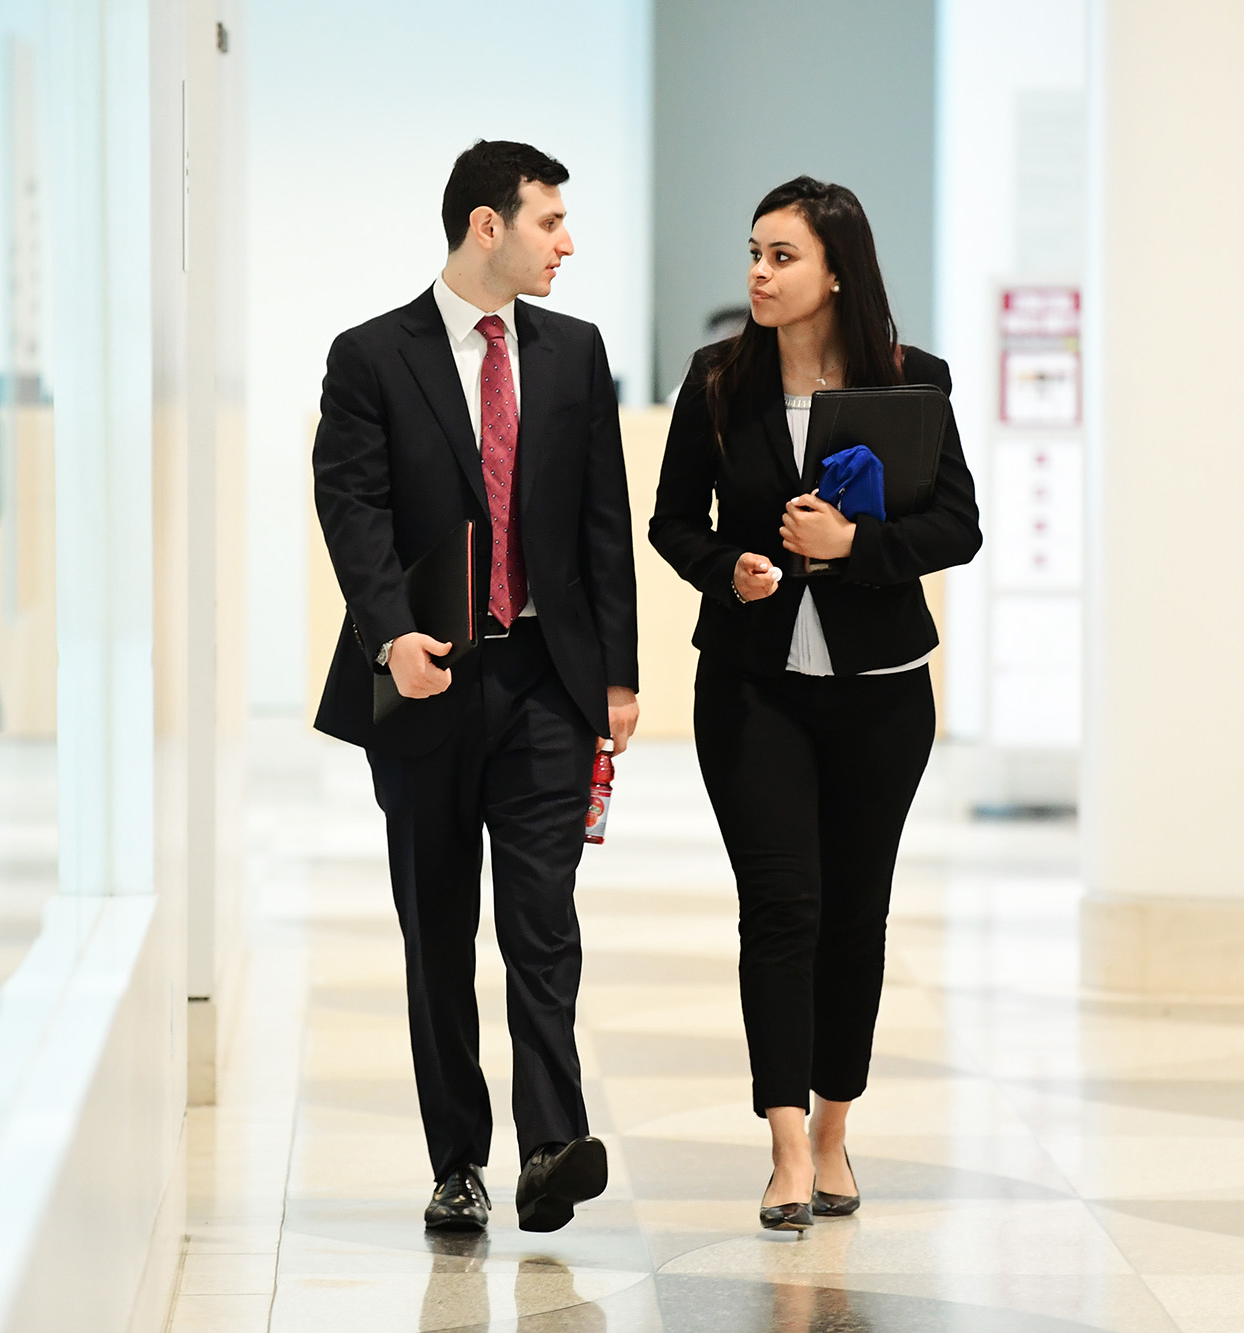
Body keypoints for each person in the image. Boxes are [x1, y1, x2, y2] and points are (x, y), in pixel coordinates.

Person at [313, 140, 640, 1234]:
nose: (567, 241)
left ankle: (550, 1142)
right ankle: (457, 1159)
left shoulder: (574, 353)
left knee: (540, 917)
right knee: (437, 926)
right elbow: (350, 509)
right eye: (549, 220)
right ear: (485, 226)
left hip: (546, 678)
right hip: (427, 680)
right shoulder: (371, 356)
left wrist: (619, 679)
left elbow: (602, 526)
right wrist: (390, 634)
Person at [648, 176, 981, 1230]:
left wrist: (856, 548)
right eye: (752, 251)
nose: (756, 271)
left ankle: (836, 1127)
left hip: (879, 696)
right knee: (782, 906)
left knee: (853, 913)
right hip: (751, 689)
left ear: (836, 270)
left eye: (781, 255)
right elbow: (670, 522)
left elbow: (956, 527)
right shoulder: (714, 380)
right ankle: (786, 1144)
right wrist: (727, 568)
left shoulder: (908, 379)